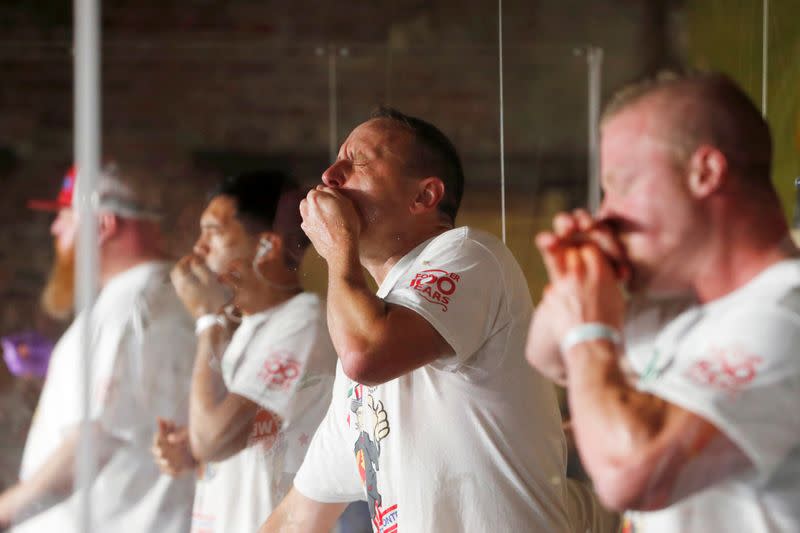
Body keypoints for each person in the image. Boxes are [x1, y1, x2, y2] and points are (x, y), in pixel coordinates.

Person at [261, 107, 572, 533]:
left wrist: (338, 249)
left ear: (425, 197)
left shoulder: (468, 253)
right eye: (336, 162)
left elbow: (366, 355)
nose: (331, 175)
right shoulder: (368, 325)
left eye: (358, 161)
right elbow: (298, 516)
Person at [526, 70, 800, 532]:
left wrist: (590, 332)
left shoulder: (782, 313)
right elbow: (548, 357)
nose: (605, 213)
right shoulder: (682, 306)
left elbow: (628, 476)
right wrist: (581, 273)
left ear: (705, 173)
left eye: (623, 184)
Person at [0, 163, 196, 532]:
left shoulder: (131, 308)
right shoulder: (146, 300)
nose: (55, 229)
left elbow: (93, 444)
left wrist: (7, 511)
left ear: (103, 226)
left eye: (64, 218)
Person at [151, 171, 337, 532]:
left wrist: (207, 317)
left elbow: (215, 439)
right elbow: (233, 436)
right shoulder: (246, 326)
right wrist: (188, 448)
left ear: (267, 247)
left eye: (214, 232)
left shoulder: (303, 324)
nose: (199, 248)